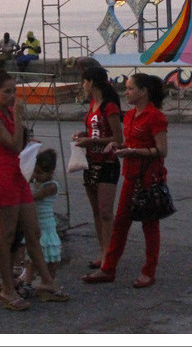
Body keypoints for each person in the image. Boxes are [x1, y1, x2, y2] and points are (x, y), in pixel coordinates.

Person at [0, 66, 69, 310]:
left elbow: (19, 144)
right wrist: (19, 118)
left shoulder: (8, 114)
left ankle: (46, 282)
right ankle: (7, 289)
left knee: (33, 231)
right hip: (4, 176)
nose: (12, 96)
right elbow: (11, 144)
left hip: (19, 175)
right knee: (7, 234)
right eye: (7, 92)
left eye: (14, 91)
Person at [82, 72, 168, 289]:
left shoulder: (155, 116)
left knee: (150, 226)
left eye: (130, 88)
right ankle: (108, 268)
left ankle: (149, 272)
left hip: (149, 178)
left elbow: (161, 150)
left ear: (143, 92)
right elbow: (127, 142)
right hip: (130, 176)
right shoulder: (129, 116)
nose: (126, 92)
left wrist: (134, 152)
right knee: (120, 224)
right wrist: (118, 147)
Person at [71, 66, 123, 270]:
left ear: (91, 82)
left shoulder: (109, 107)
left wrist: (91, 142)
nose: (83, 86)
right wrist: (82, 135)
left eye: (84, 82)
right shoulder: (94, 103)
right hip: (90, 161)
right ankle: (104, 252)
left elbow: (118, 138)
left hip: (107, 161)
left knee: (105, 212)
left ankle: (108, 255)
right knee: (96, 212)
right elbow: (95, 131)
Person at [17, 149, 62, 291]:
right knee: (31, 257)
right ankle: (28, 281)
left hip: (46, 224)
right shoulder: (34, 181)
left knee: (51, 255)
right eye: (35, 171)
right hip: (33, 223)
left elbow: (35, 197)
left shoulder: (51, 186)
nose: (36, 175)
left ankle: (48, 280)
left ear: (50, 172)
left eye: (40, 173)